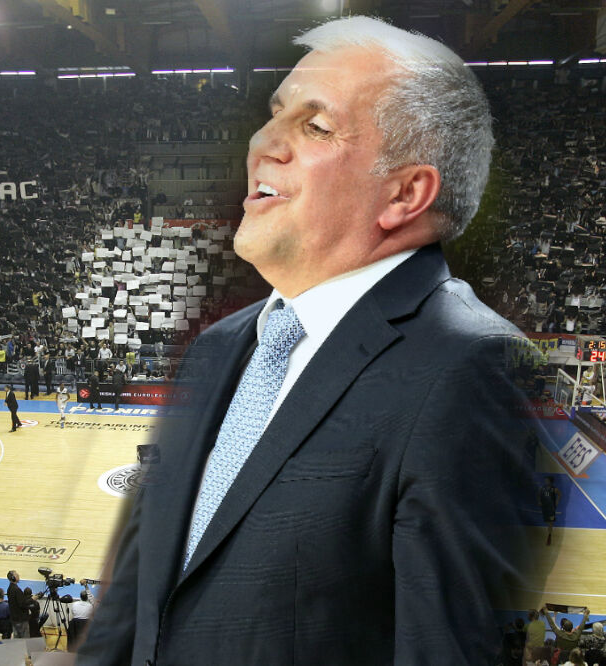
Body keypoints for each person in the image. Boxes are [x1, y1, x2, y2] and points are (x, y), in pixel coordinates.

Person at [79, 16, 540, 665]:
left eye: (315, 126)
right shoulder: (218, 347)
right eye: (274, 115)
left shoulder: (470, 365)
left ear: (405, 193)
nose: (262, 143)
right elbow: (138, 594)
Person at [539, 475, 561, 545]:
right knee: (547, 521)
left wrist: (557, 502)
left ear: (550, 481)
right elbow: (539, 495)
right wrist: (539, 501)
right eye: (545, 480)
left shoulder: (554, 489)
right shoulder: (542, 488)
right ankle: (549, 531)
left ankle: (549, 536)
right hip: (545, 507)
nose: (545, 481)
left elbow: (559, 495)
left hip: (551, 508)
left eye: (547, 480)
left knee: (550, 522)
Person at [6, 570, 29, 638]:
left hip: (14, 619)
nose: (18, 575)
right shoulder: (16, 590)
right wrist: (31, 600)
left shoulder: (9, 588)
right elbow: (22, 604)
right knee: (25, 639)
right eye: (16, 575)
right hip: (20, 619)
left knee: (17, 638)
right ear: (13, 578)